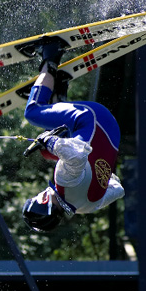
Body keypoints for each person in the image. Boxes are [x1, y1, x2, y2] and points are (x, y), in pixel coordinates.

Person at [21, 39, 125, 232]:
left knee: (53, 154)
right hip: (93, 119)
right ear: (43, 200)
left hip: (111, 131)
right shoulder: (64, 181)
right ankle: (50, 56)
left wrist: (99, 171)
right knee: (33, 112)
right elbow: (77, 155)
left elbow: (118, 189)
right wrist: (49, 141)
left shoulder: (87, 207)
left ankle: (59, 87)